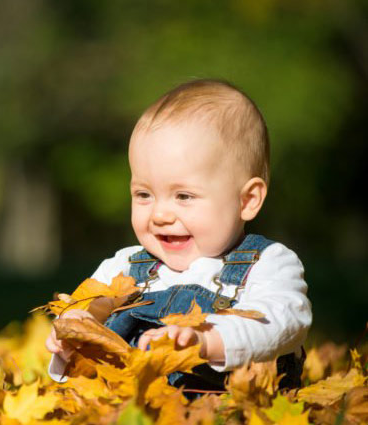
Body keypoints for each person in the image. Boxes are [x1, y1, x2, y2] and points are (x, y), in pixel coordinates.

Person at [45, 79, 312, 391]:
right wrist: (79, 325)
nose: (160, 215)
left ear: (247, 200)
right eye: (144, 194)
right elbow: (92, 302)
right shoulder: (128, 265)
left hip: (235, 406)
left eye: (184, 196)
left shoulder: (268, 263)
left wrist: (209, 340)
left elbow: (283, 322)